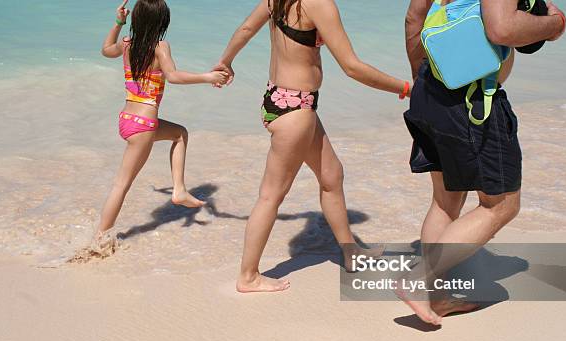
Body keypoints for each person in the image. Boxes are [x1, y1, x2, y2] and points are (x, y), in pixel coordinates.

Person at [213, 0, 411, 293]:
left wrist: (226, 61)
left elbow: (245, 28)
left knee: (332, 176)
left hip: (278, 99)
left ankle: (350, 251)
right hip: (296, 112)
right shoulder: (319, 3)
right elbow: (352, 67)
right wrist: (405, 88)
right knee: (270, 196)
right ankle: (248, 275)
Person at [401, 0, 566, 325]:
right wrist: (555, 25)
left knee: (445, 202)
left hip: (432, 89)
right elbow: (502, 28)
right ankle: (416, 279)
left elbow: (413, 18)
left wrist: (424, 77)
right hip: (473, 100)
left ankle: (436, 297)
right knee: (501, 205)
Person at [96, 0, 229, 242]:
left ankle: (178, 189)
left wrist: (118, 23)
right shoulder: (160, 47)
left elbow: (106, 50)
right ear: (162, 22)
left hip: (127, 119)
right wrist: (207, 76)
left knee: (179, 133)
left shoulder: (127, 44)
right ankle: (99, 240)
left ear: (135, 19)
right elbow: (173, 76)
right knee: (121, 185)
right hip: (144, 125)